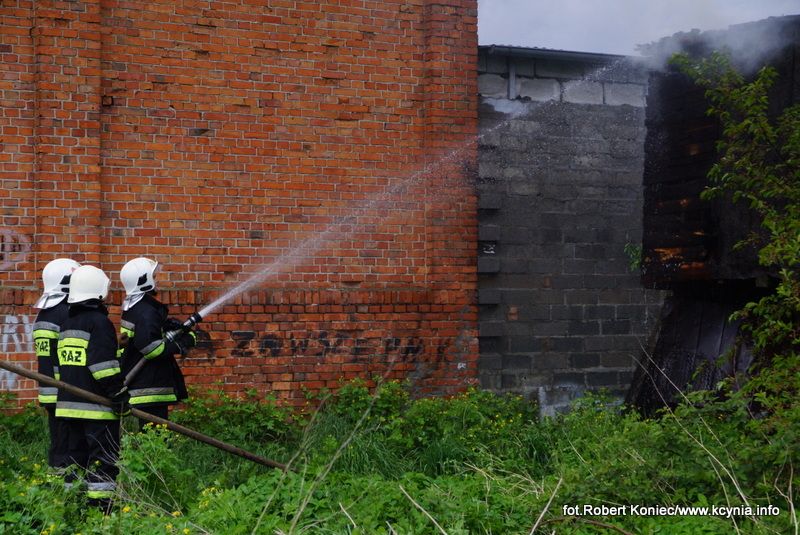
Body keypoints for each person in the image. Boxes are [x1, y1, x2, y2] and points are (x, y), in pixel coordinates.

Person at [55, 265, 129, 513]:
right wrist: (118, 394)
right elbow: (102, 366)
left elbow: (60, 366)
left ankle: (72, 509)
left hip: (67, 408)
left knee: (74, 461)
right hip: (96, 410)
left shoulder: (66, 322)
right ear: (98, 291)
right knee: (102, 462)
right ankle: (101, 512)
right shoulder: (100, 322)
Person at [119, 257, 193, 429]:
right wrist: (181, 344)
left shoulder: (133, 308)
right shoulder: (146, 312)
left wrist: (165, 326)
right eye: (153, 276)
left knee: (151, 438)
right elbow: (151, 348)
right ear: (143, 281)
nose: (157, 279)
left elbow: (143, 337)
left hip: (142, 383)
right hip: (149, 386)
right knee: (156, 439)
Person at [33, 258, 80, 468]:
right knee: (69, 442)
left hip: (49, 389)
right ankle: (66, 483)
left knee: (58, 441)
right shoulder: (65, 314)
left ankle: (57, 481)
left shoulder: (44, 313)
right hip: (65, 388)